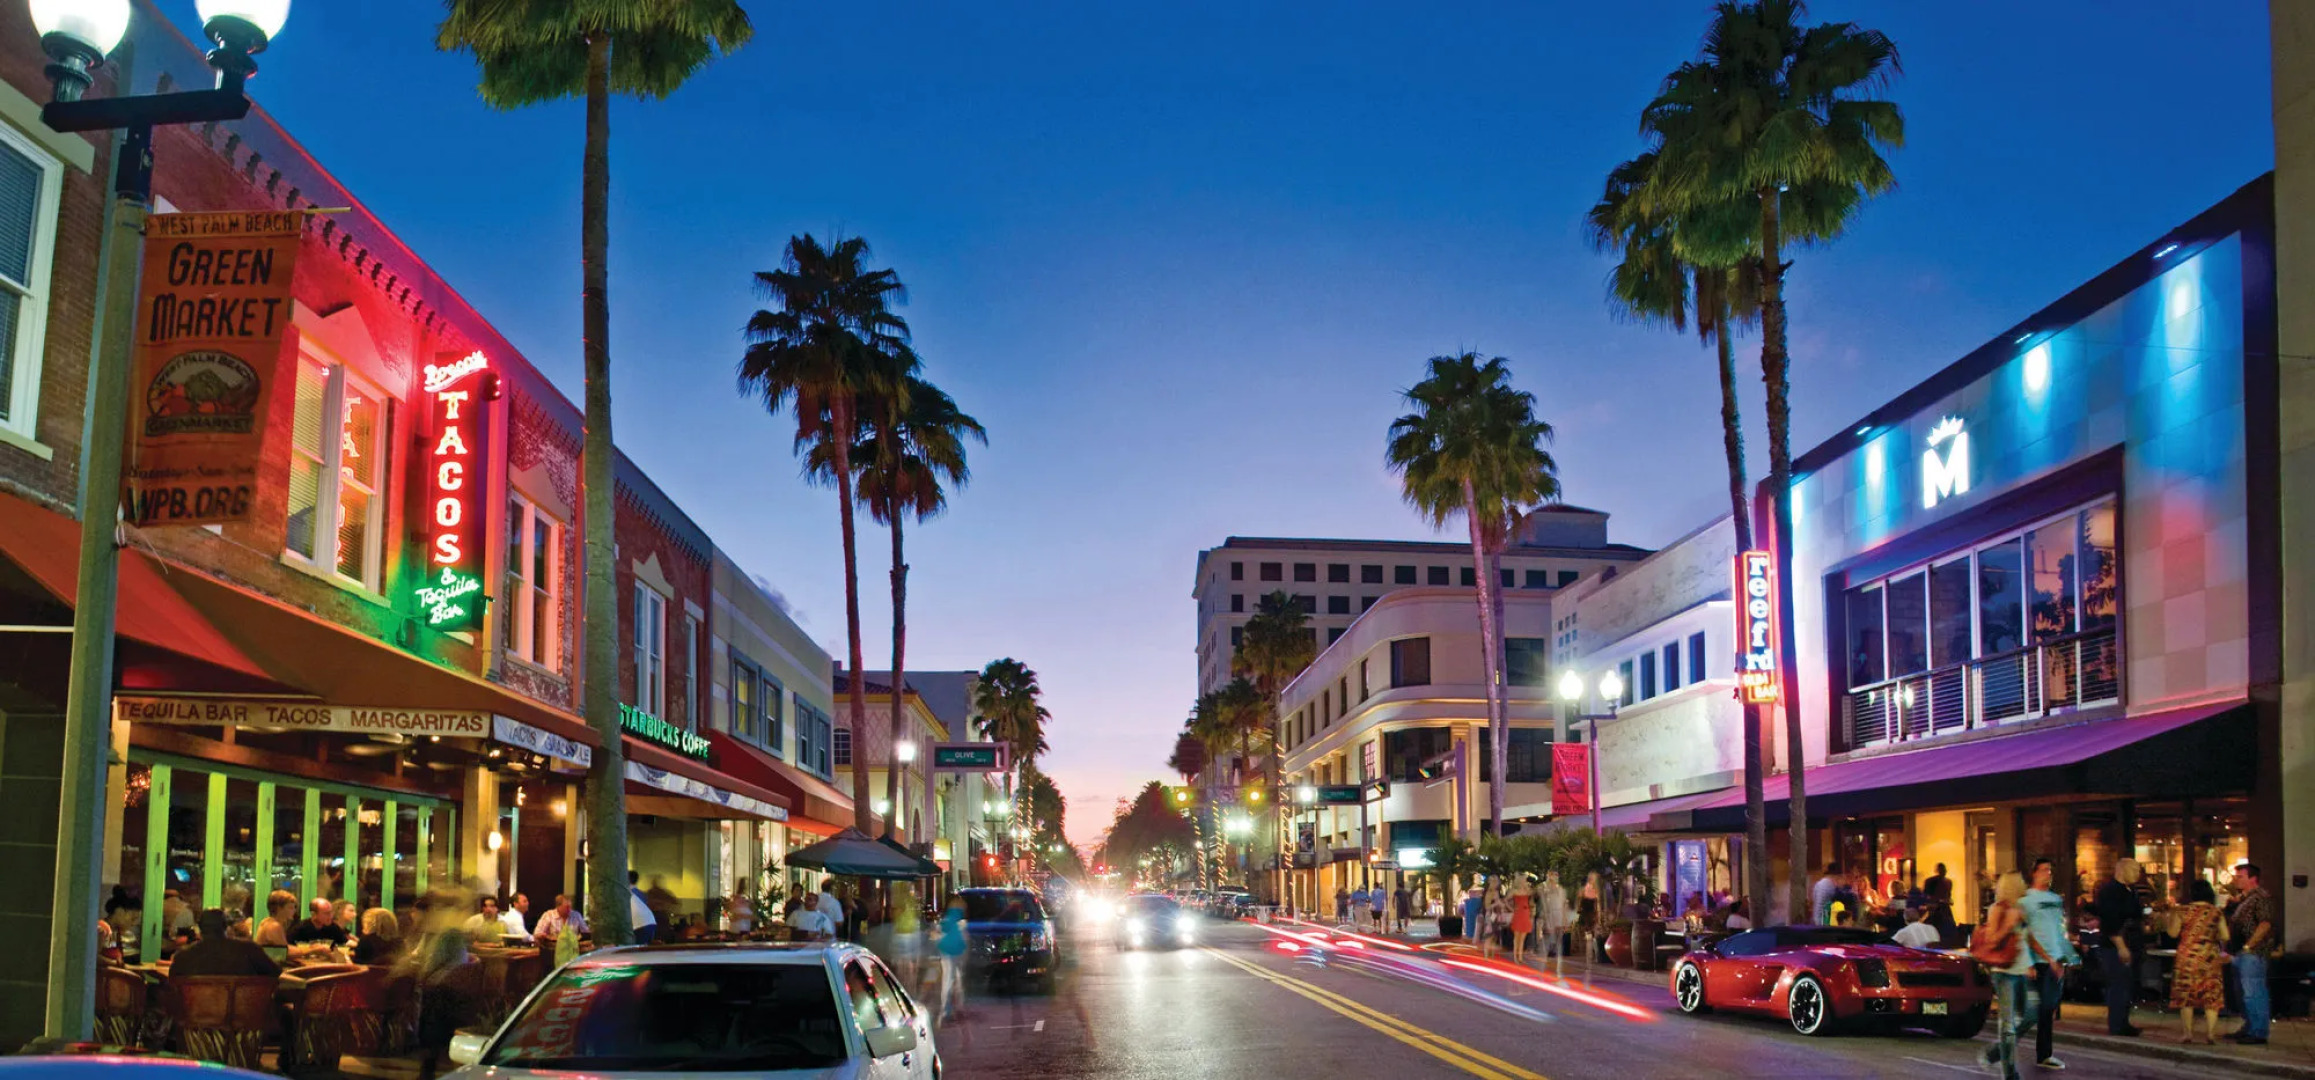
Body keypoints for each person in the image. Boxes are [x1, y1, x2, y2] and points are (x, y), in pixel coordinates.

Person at [2021, 857, 2081, 1070]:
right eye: (2044, 870)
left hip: (2055, 960)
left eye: (2050, 870)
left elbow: (2058, 930)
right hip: (2037, 961)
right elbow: (2024, 933)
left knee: (2048, 1009)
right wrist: (2028, 962)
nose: (2048, 874)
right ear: (2034, 873)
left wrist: (2066, 956)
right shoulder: (2026, 901)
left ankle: (2044, 1054)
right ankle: (2003, 1048)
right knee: (2033, 1011)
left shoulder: (2055, 900)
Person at [1980, 871, 2039, 1080]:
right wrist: (2008, 925)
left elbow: (2025, 940)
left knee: (2032, 1014)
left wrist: (2031, 964)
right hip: (2004, 972)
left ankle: (1995, 1052)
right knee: (2007, 1024)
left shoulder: (2021, 908)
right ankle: (2010, 1073)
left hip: (2022, 969)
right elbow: (1991, 941)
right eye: (2020, 882)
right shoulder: (1998, 909)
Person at [2092, 858, 2147, 1036]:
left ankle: (2124, 1021)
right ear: (2123, 870)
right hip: (2116, 945)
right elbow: (2110, 922)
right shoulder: (2110, 891)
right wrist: (2120, 946)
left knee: (2127, 985)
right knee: (2118, 985)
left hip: (2132, 942)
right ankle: (2117, 1024)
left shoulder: (2131, 891)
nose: (2138, 874)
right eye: (2134, 870)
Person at [2169, 878, 2227, 1045]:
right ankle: (2210, 1034)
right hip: (2209, 957)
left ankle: (2187, 1033)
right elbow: (2225, 935)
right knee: (2211, 996)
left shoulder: (2183, 911)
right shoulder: (2216, 912)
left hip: (2186, 957)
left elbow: (2173, 933)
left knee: (2186, 995)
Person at [2228, 862, 2275, 1045]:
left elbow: (2265, 923)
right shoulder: (2244, 899)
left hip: (2253, 953)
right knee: (2242, 992)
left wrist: (2249, 946)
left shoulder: (2260, 897)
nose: (2236, 879)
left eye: (2240, 876)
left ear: (2252, 878)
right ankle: (2249, 1026)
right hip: (2240, 952)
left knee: (2253, 992)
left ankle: (2258, 1031)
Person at [169, 909, 280, 978]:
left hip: (197, 1013)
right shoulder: (249, 950)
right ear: (226, 927)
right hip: (245, 1013)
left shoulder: (183, 957)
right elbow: (275, 972)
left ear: (200, 928)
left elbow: (173, 981)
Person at [936, 894, 968, 1021]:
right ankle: (959, 1007)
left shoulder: (946, 920)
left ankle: (946, 1009)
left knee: (947, 980)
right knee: (958, 980)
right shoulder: (962, 922)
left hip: (946, 952)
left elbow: (938, 933)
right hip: (957, 952)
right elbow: (964, 938)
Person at [1538, 870, 1572, 978]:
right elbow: (1544, 904)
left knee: (1559, 943)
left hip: (1558, 917)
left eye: (1557, 875)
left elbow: (1564, 905)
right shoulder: (1544, 889)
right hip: (1549, 916)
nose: (1556, 877)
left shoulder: (1561, 889)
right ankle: (1543, 968)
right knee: (1547, 943)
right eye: (1553, 875)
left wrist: (1565, 919)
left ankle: (1558, 969)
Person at [1923, 862, 1958, 942]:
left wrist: (1947, 900)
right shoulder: (1931, 881)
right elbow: (1927, 896)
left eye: (1944, 870)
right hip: (1936, 909)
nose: (1944, 872)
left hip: (1944, 909)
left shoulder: (1948, 882)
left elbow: (1948, 895)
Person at [1509, 877, 1535, 965]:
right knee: (1517, 938)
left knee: (1523, 938)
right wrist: (1511, 908)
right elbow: (1505, 900)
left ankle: (1520, 957)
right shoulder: (1514, 891)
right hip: (1518, 914)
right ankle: (1515, 957)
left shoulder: (1527, 890)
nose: (1525, 882)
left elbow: (1532, 895)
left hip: (1526, 913)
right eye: (1523, 880)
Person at [629, 870, 659, 945]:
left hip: (640, 925)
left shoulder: (625, 892)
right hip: (650, 922)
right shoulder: (640, 894)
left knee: (635, 952)